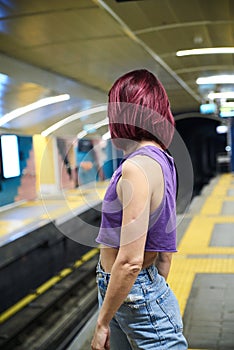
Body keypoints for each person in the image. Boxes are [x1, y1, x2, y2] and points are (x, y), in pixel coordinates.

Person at [91, 69, 188, 350]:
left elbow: (131, 261)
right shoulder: (162, 159)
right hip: (130, 291)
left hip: (130, 289)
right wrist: (152, 289)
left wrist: (102, 323)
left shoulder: (135, 167)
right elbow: (165, 251)